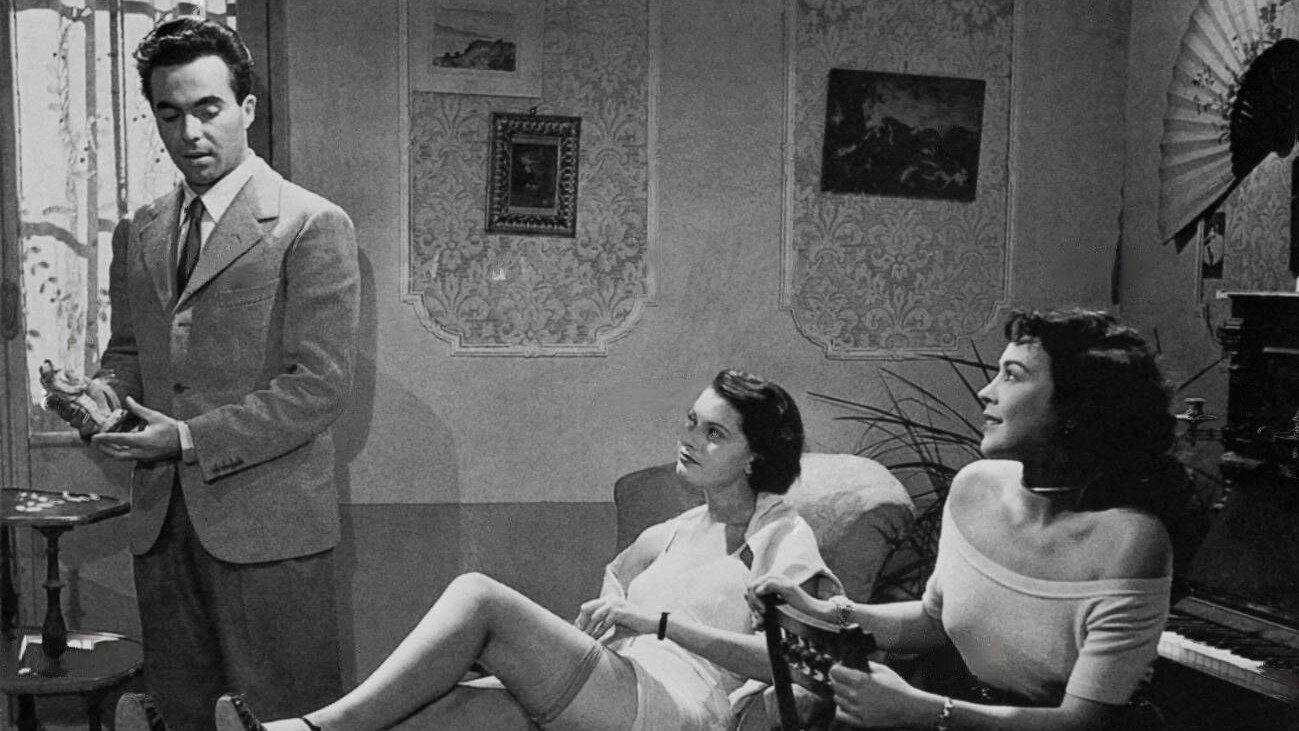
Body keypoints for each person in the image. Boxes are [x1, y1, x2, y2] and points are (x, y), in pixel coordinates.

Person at [167, 368, 838, 731]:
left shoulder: (781, 535)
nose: (689, 439)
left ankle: (308, 730)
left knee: (479, 596)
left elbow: (805, 666)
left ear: (755, 456)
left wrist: (659, 622)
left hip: (678, 709)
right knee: (439, 709)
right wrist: (555, 648)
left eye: (715, 433)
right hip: (617, 688)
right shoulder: (667, 534)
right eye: (691, 421)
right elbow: (599, 621)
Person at [46, 16, 360, 730]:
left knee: (282, 717)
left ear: (246, 108)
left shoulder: (311, 224)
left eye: (208, 109)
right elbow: (131, 353)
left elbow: (318, 387)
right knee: (184, 715)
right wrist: (98, 396)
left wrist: (186, 438)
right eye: (170, 114)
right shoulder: (142, 230)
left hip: (270, 530)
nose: (189, 132)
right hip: (163, 526)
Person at [752, 308, 1191, 730]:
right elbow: (934, 621)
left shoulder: (1131, 541)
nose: (987, 392)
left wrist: (918, 710)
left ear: (1075, 408)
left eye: (1013, 375)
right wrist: (820, 610)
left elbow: (1082, 723)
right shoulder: (975, 488)